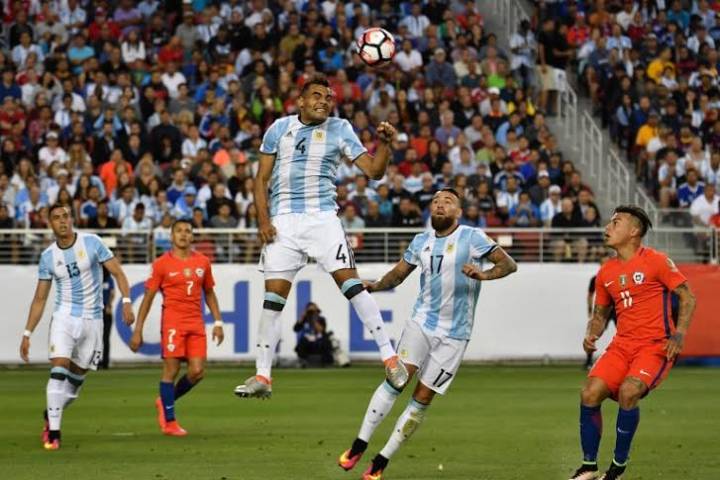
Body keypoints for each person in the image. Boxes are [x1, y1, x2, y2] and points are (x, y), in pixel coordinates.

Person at [233, 75, 408, 399]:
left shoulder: (340, 128)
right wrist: (263, 220)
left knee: (351, 285)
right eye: (316, 95)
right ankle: (262, 376)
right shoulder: (279, 129)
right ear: (300, 101)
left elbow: (374, 171)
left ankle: (391, 358)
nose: (323, 101)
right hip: (284, 222)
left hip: (323, 218)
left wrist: (384, 145)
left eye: (328, 98)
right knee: (273, 300)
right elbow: (260, 179)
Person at [337, 189, 517, 480]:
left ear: (459, 212)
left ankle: (381, 461)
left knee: (422, 398)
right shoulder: (421, 241)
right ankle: (359, 444)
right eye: (435, 201)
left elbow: (508, 264)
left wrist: (484, 275)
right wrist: (376, 285)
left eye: (448, 201)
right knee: (396, 379)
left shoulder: (472, 237)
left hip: (455, 335)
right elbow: (398, 274)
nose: (440, 205)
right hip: (421, 322)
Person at [569, 205, 696, 480]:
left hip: (655, 346)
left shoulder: (657, 261)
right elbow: (599, 315)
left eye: (616, 223)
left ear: (634, 231)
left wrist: (679, 334)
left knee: (629, 391)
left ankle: (617, 468)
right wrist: (592, 334)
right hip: (622, 345)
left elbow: (688, 297)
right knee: (589, 393)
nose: (607, 227)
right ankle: (589, 467)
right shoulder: (606, 272)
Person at [18, 204, 134, 450]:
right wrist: (27, 333)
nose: (62, 221)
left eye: (65, 216)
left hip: (93, 320)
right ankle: (55, 433)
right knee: (58, 369)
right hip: (64, 318)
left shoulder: (92, 242)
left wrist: (126, 302)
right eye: (56, 218)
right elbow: (40, 299)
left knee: (74, 384)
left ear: (72, 219)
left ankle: (51, 414)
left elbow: (118, 273)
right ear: (50, 224)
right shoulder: (48, 257)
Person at [129, 219, 224, 436]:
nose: (183, 234)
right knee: (171, 371)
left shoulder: (203, 262)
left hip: (196, 322)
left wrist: (218, 322)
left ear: (192, 236)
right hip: (173, 323)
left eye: (187, 231)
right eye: (179, 231)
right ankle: (170, 422)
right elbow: (147, 298)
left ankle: (165, 400)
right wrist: (138, 330)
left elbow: (209, 293)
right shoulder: (161, 264)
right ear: (171, 236)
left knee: (197, 372)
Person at [584, 253, 616, 370]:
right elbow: (590, 295)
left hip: (617, 310)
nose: (604, 265)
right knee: (593, 333)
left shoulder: (617, 276)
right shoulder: (596, 279)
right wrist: (589, 309)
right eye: (602, 262)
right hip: (603, 310)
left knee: (626, 333)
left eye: (606, 262)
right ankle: (588, 361)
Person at [293, 302, 334, 367]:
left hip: (318, 341)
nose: (312, 312)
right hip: (307, 341)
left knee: (326, 342)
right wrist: (303, 317)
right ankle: (302, 361)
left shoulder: (321, 319)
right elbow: (296, 329)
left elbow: (321, 330)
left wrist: (314, 319)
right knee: (302, 341)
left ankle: (327, 362)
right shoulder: (304, 319)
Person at [100, 266, 114, 369]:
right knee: (96, 338)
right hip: (97, 309)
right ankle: (96, 360)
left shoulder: (109, 279)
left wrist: (109, 305)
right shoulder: (97, 278)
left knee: (105, 338)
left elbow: (112, 293)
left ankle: (105, 361)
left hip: (105, 309)